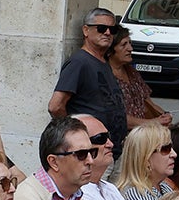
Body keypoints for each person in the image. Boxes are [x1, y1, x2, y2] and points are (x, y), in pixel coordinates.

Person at [6, 116, 95, 200]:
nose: (91, 161)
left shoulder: (77, 198)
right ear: (54, 162)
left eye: (92, 152)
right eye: (81, 154)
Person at [48, 8, 127, 150]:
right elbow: (55, 106)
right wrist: (77, 134)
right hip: (94, 149)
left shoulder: (103, 62)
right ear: (86, 30)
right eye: (101, 28)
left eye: (112, 29)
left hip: (112, 148)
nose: (107, 33)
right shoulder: (80, 62)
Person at [69, 115, 143, 200]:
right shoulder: (78, 192)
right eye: (101, 138)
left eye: (108, 137)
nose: (110, 144)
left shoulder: (110, 188)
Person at [109, 26, 170, 131]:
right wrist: (153, 122)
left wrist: (164, 115)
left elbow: (149, 103)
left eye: (130, 43)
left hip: (145, 133)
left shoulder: (131, 72)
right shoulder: (105, 77)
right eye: (124, 44)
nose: (130, 49)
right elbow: (114, 117)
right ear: (110, 50)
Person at [113, 122, 176, 200]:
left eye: (171, 147)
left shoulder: (164, 188)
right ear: (145, 158)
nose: (174, 154)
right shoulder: (136, 194)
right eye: (165, 149)